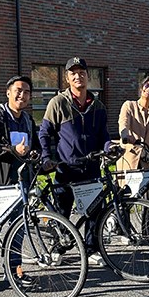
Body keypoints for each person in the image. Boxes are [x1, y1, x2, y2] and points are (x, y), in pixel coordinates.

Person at [38, 57, 114, 266]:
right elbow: (44, 133)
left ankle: (91, 249)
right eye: (73, 73)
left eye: (81, 72)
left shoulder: (98, 105)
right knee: (62, 212)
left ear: (88, 76)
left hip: (91, 166)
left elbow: (103, 135)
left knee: (94, 211)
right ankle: (59, 248)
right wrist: (46, 157)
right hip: (66, 168)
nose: (78, 76)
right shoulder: (58, 103)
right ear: (67, 78)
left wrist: (109, 148)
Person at [0, 75, 40, 291]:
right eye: (19, 90)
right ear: (8, 92)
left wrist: (39, 156)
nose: (23, 95)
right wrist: (12, 150)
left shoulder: (28, 120)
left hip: (21, 183)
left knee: (19, 230)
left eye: (27, 92)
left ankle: (14, 271)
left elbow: (35, 145)